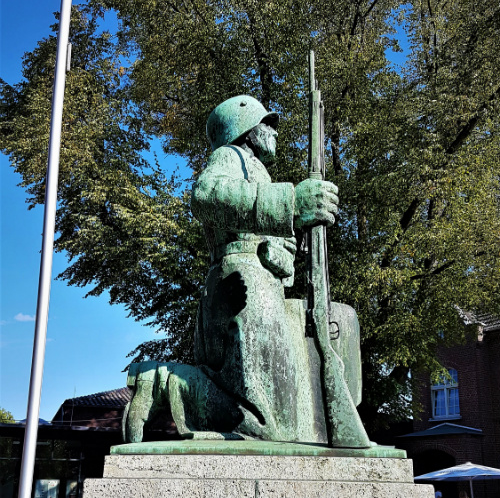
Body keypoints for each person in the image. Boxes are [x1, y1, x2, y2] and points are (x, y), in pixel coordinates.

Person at [123, 95, 370, 447]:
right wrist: (292, 202)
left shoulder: (259, 171)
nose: (274, 131)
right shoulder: (228, 156)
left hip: (267, 283)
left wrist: (297, 233)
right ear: (245, 130)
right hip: (241, 283)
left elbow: (273, 236)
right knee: (261, 424)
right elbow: (206, 195)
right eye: (266, 124)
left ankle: (334, 428)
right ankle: (169, 380)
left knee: (342, 321)